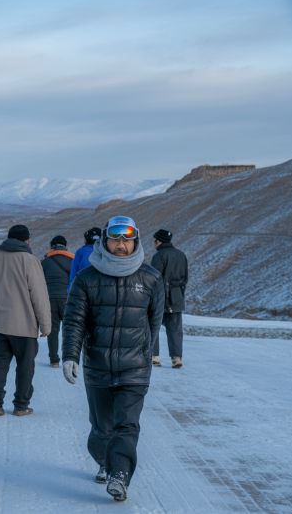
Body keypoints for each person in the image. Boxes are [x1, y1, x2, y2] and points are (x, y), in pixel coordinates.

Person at [61, 215, 164, 502]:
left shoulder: (151, 278)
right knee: (101, 428)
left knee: (127, 425)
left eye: (127, 239)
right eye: (115, 239)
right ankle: (104, 460)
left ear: (135, 241)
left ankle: (119, 474)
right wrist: (70, 355)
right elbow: (74, 321)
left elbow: (154, 323)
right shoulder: (86, 278)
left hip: (135, 368)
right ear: (105, 241)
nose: (121, 244)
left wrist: (144, 354)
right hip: (98, 366)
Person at [0, 224, 51, 417]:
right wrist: (45, 324)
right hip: (24, 324)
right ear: (27, 240)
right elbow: (39, 295)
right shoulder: (30, 260)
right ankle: (21, 405)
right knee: (25, 366)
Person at [150, 229, 189, 368]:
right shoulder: (181, 255)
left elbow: (153, 278)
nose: (154, 243)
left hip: (160, 296)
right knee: (175, 329)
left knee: (153, 325)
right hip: (176, 296)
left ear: (159, 241)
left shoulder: (159, 256)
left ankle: (154, 357)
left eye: (155, 240)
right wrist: (179, 294)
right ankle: (177, 358)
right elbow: (185, 278)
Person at [40, 235, 74, 367]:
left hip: (49, 300)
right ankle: (70, 359)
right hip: (67, 300)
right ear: (65, 246)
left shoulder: (45, 262)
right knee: (69, 331)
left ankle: (54, 360)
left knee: (53, 331)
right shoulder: (72, 261)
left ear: (52, 246)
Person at [67, 227, 102, 292]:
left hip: (82, 291)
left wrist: (70, 292)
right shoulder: (106, 253)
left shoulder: (80, 252)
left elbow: (73, 275)